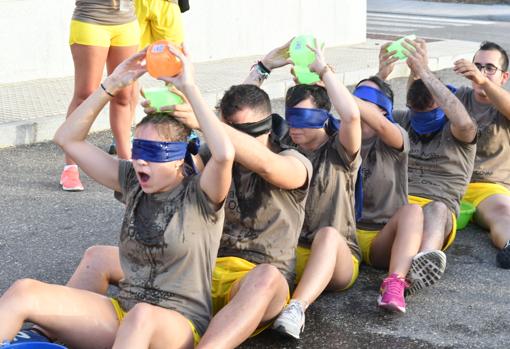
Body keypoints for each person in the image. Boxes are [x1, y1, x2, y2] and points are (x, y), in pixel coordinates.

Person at [0, 46, 234, 348]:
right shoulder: (131, 180)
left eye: (153, 153)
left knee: (142, 318)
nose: (140, 161)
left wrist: (189, 86)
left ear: (179, 159)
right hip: (125, 312)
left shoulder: (202, 195)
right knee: (24, 291)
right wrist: (112, 84)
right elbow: (67, 138)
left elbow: (225, 153)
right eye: (138, 150)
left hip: (177, 323)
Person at [242, 40, 362, 339]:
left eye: (305, 119)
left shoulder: (341, 152)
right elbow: (239, 120)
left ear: (323, 117)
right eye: (291, 117)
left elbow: (352, 116)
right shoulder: (286, 148)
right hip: (286, 253)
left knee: (328, 235)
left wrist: (324, 71)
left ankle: (296, 309)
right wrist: (263, 67)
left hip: (336, 257)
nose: (295, 127)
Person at [377, 38, 477, 294]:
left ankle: (423, 260)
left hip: (438, 211)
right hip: (398, 210)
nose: (423, 118)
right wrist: (381, 75)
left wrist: (424, 71)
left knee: (438, 208)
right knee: (410, 210)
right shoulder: (404, 121)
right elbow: (368, 115)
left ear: (443, 106)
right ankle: (409, 266)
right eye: (417, 112)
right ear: (410, 108)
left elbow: (464, 122)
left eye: (432, 110)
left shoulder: (459, 132)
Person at [353, 75, 426, 313]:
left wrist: (341, 93)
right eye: (356, 97)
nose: (357, 104)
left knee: (413, 211)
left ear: (384, 110)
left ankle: (395, 283)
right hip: (343, 236)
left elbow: (383, 127)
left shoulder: (396, 135)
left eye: (366, 100)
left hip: (381, 238)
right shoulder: (340, 135)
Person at [61, 0, 140, 191]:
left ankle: (126, 164)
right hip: (91, 18)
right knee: (85, 94)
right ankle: (70, 166)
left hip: (126, 20)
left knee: (124, 94)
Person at [452, 41, 510, 269]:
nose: (480, 71)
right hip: (450, 182)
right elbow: (421, 103)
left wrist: (483, 82)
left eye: (489, 68)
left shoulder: (503, 103)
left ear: (504, 77)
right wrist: (417, 71)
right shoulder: (459, 96)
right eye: (477, 65)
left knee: (503, 212)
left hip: (489, 186)